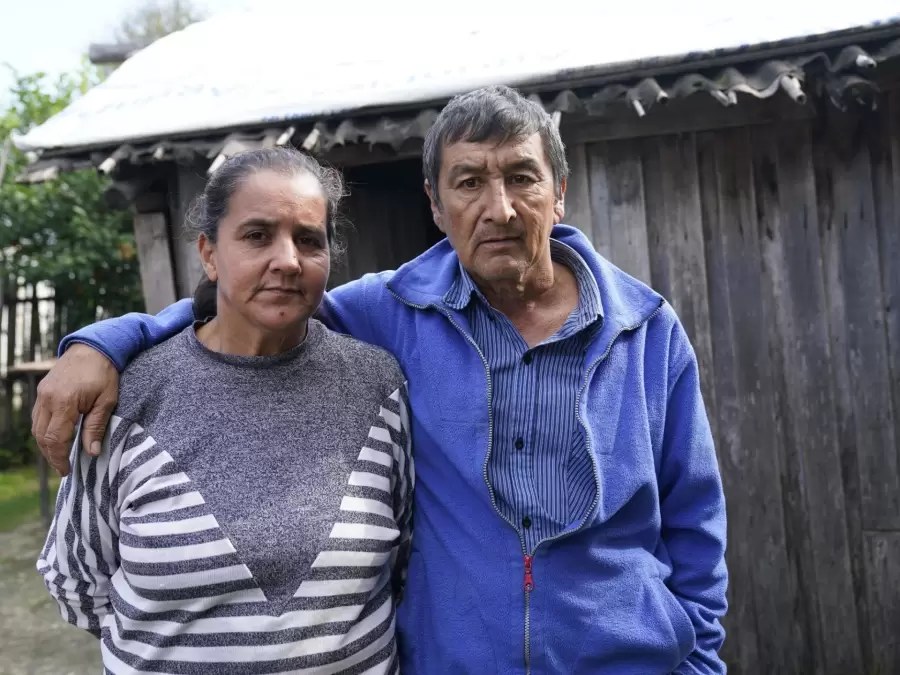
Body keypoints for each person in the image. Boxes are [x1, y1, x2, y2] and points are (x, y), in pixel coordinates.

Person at [34, 85, 728, 674]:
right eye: (469, 182)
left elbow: (696, 526)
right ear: (436, 204)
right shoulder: (393, 312)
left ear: (558, 193)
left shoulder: (646, 331)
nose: (500, 207)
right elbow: (256, 303)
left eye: (521, 176)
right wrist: (104, 340)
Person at [36, 147, 414, 675]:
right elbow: (77, 580)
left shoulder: (376, 384)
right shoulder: (132, 395)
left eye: (309, 239)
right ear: (209, 255)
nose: (287, 259)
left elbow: (401, 563)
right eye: (257, 235)